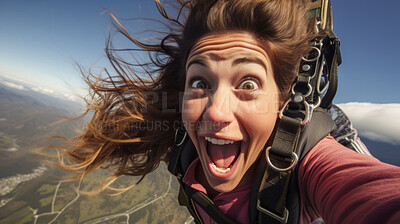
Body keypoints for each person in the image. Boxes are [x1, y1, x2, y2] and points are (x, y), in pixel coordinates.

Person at [58, 0, 400, 223]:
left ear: (281, 102)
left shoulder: (311, 165)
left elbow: (374, 194)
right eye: (200, 83)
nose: (216, 111)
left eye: (248, 84)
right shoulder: (185, 143)